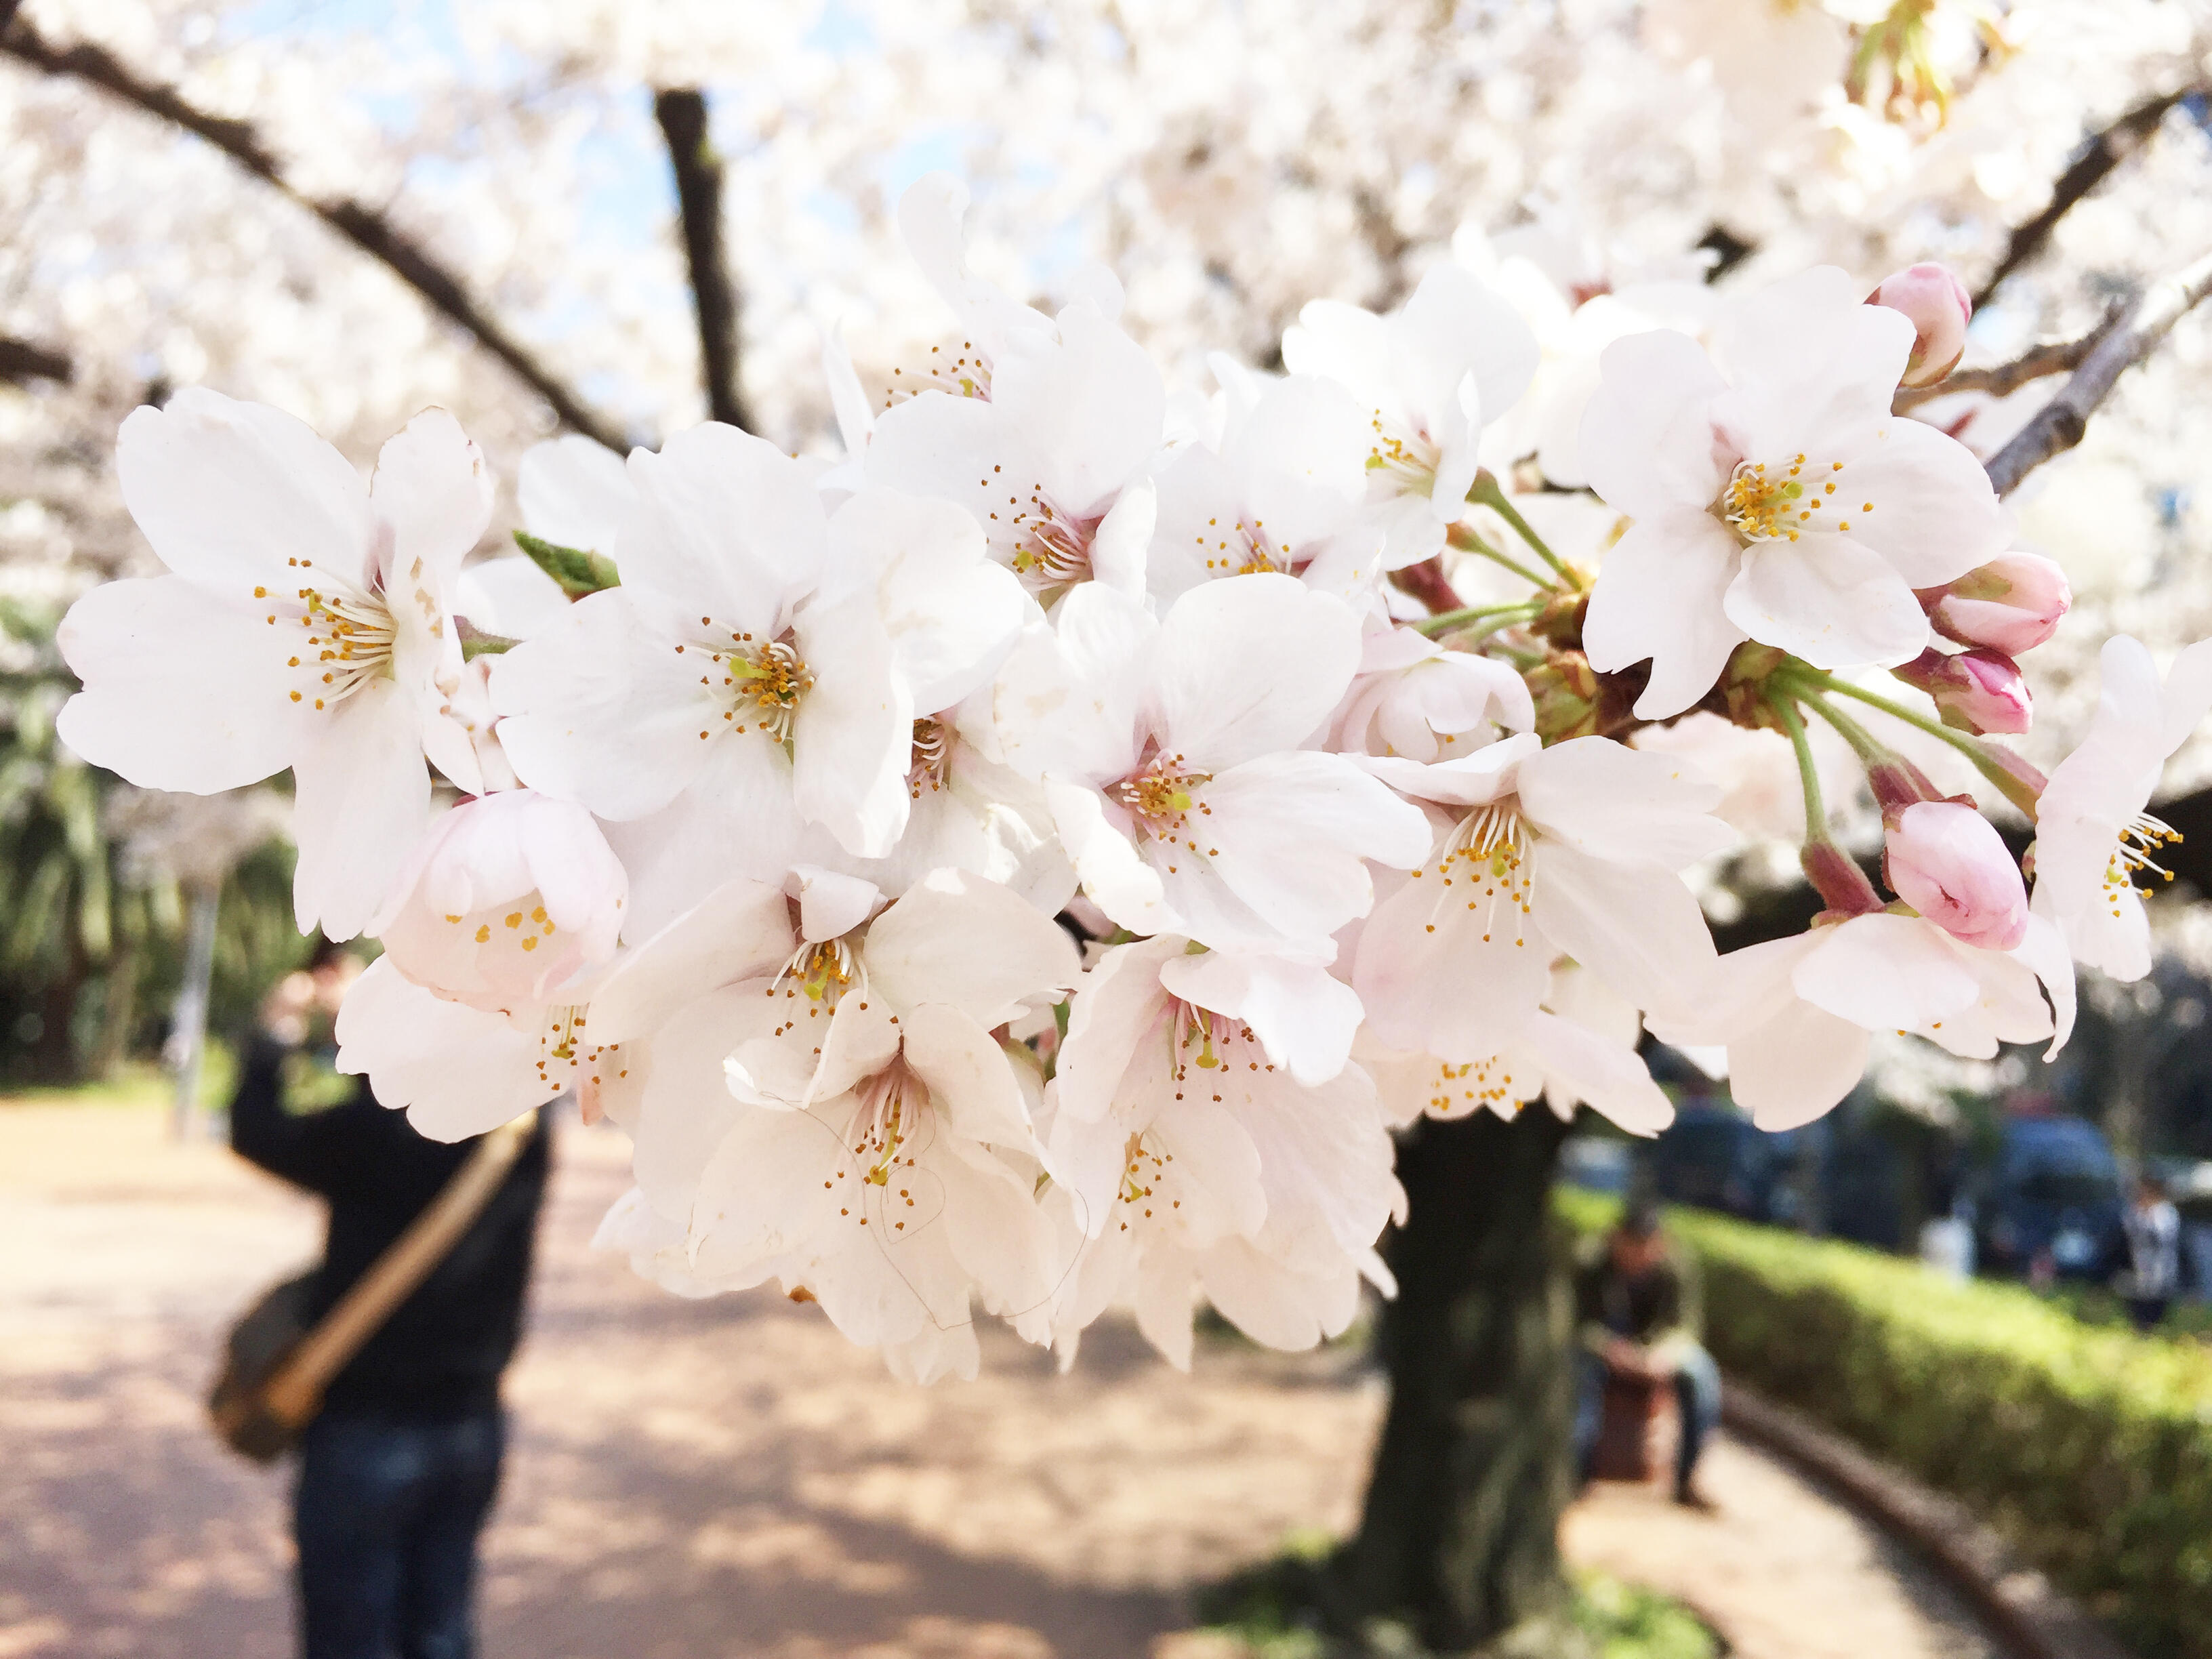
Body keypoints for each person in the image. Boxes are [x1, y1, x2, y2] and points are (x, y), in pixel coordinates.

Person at [228, 942, 552, 1659]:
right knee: (440, 1629)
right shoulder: (525, 1125)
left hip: (364, 1429)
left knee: (350, 1637)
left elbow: (258, 1130)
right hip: (473, 1424)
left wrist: (283, 1026)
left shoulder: (379, 1125)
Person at [1572, 1197, 1721, 1510]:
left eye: (1646, 1248)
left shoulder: (1676, 1268)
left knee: (1702, 1374)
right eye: (1630, 1246)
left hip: (1655, 1352)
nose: (1637, 1257)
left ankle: (1687, 1478)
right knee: (1579, 1376)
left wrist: (1660, 1355)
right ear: (1616, 1239)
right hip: (1603, 1350)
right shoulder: (1589, 1263)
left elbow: (1685, 1327)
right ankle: (1576, 1473)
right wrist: (1607, 1347)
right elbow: (1574, 1322)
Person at [2122, 1172, 2181, 1331]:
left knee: (2157, 1300)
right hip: (2139, 1263)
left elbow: (2164, 1237)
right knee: (2139, 1299)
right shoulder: (2135, 1211)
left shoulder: (2166, 1211)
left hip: (2161, 1264)